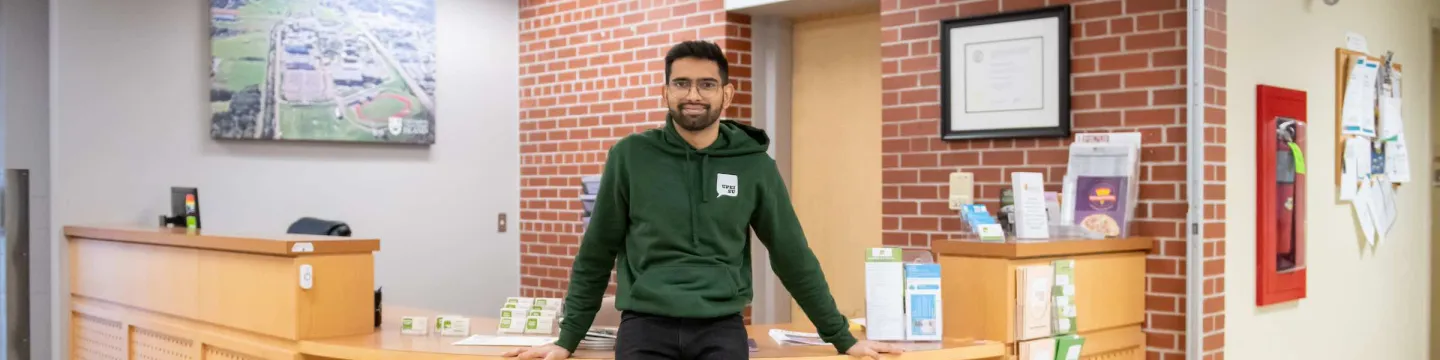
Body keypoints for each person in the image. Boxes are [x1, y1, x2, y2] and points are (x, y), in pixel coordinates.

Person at [505, 40, 902, 360]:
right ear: (665, 91)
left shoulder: (755, 166)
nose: (693, 95)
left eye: (706, 84)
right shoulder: (629, 156)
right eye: (681, 83)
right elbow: (596, 252)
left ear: (726, 93)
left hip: (721, 327)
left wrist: (841, 337)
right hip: (644, 326)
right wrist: (566, 340)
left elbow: (792, 254)